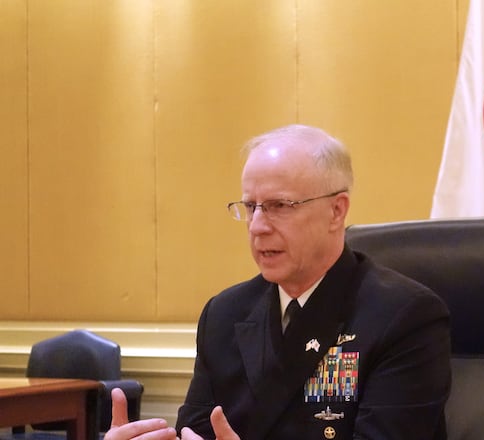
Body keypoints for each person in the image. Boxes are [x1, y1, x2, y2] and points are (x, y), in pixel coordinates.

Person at [105, 124, 451, 439]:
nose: (257, 226)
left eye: (279, 206)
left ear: (336, 211)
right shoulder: (224, 314)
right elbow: (196, 433)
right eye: (250, 206)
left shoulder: (404, 316)